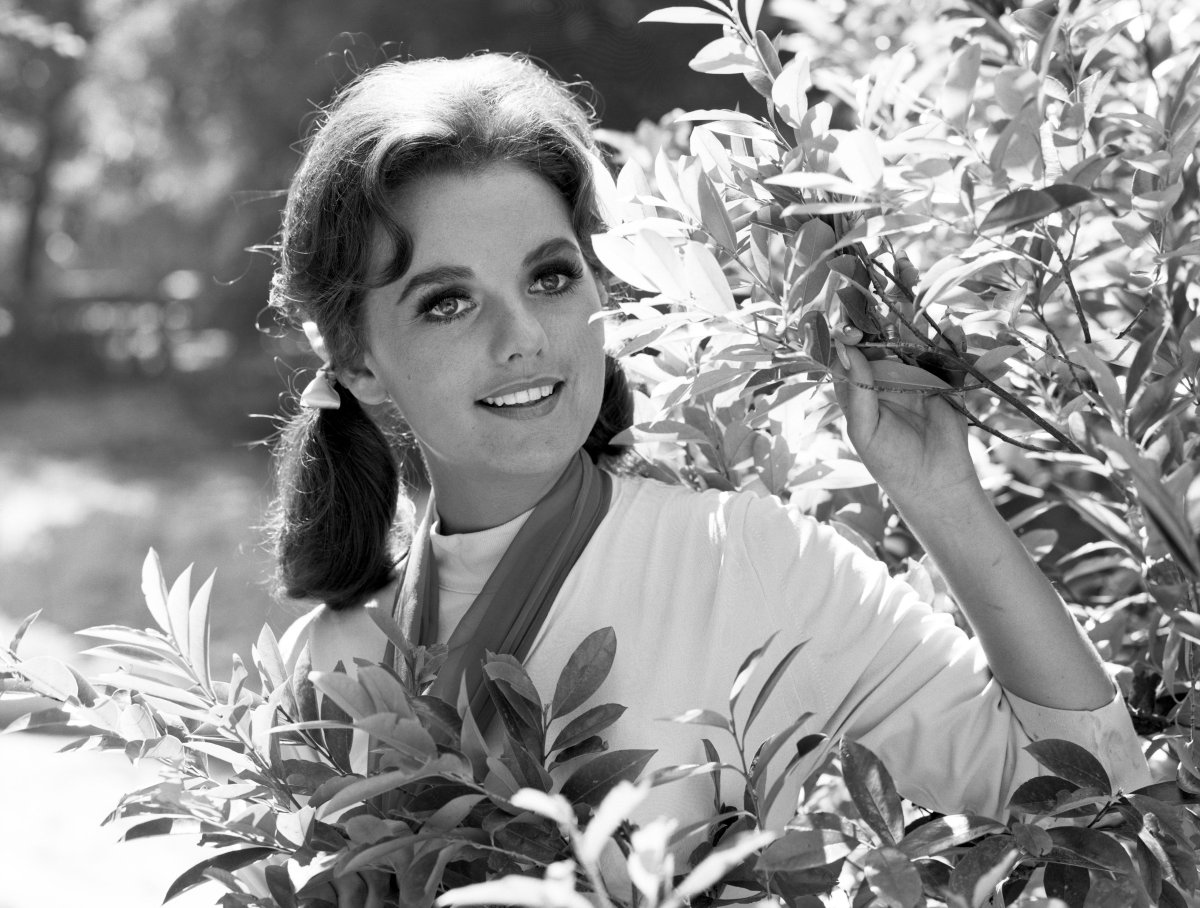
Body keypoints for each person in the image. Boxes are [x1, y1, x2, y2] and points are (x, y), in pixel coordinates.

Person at [268, 52, 1150, 847]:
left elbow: (1093, 801)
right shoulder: (326, 664)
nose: (525, 335)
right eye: (447, 302)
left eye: (550, 276)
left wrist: (946, 503)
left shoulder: (746, 563)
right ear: (357, 361)